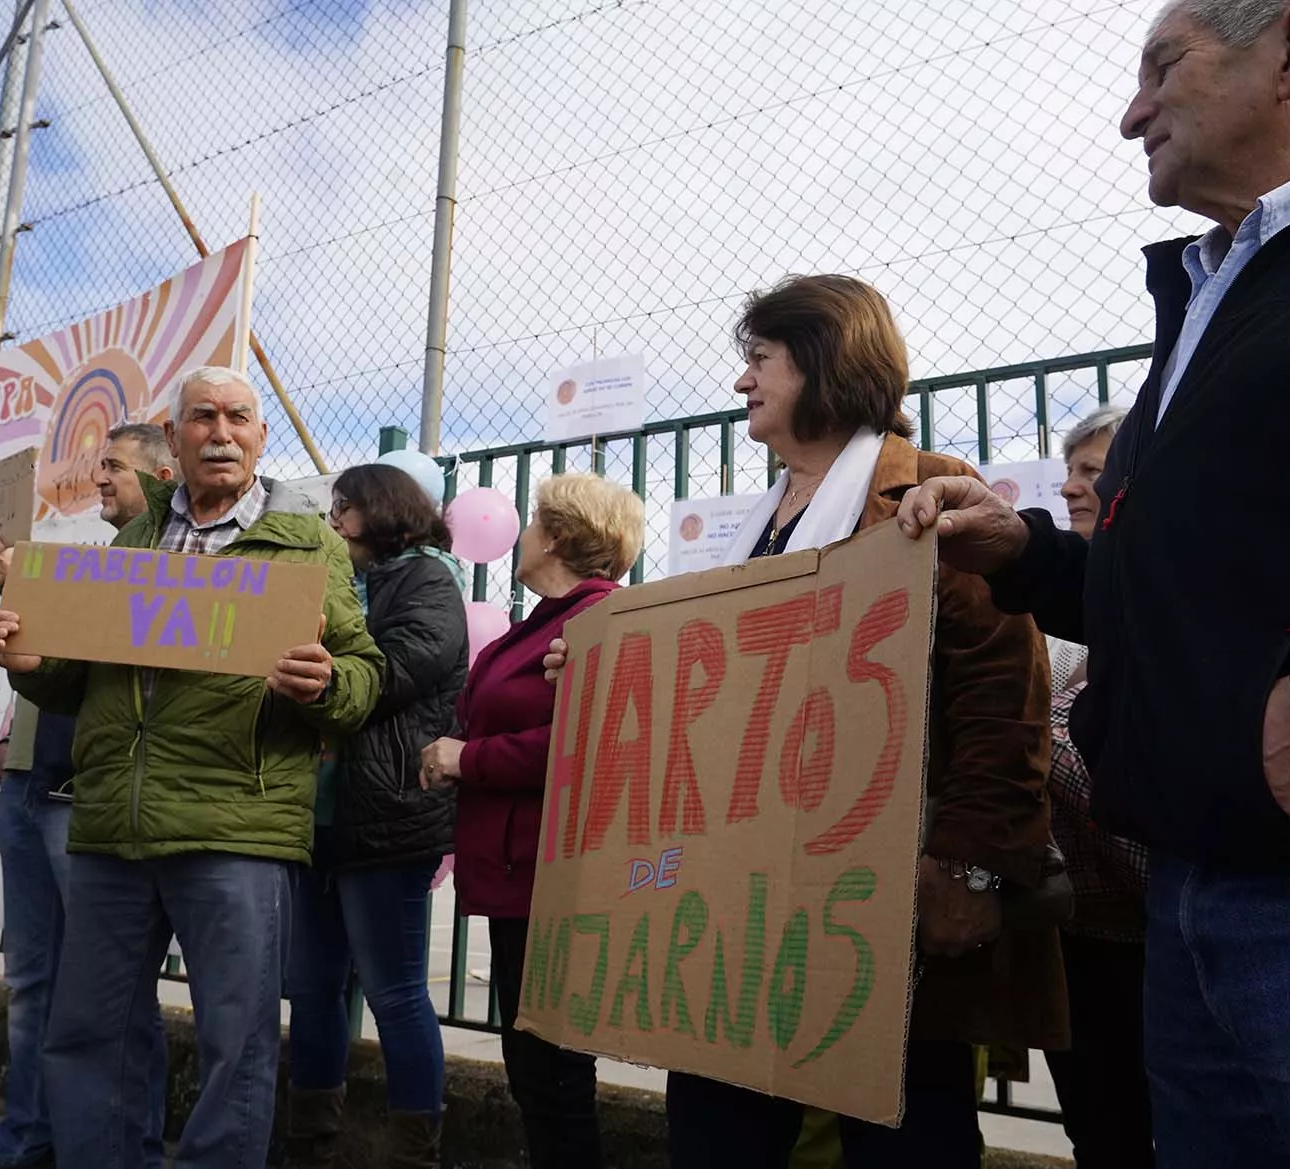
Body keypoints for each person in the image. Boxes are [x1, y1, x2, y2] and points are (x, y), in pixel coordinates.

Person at [895, 1, 1290, 1162]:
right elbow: (1193, 598)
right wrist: (1032, 555)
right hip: (1189, 903)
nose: (1132, 110)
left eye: (1163, 66)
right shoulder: (1213, 286)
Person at [545, 275, 1065, 1169]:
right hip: (746, 914)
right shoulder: (757, 524)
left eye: (759, 360)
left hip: (888, 906)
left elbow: (1001, 695)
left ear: (824, 361)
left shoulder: (929, 489)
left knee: (904, 1138)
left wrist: (971, 864)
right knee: (715, 1135)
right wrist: (604, 667)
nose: (742, 382)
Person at [0, 366, 384, 1168]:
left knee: (236, 1044)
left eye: (238, 417)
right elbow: (75, 677)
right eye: (203, 417)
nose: (221, 432)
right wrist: (26, 660)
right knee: (88, 1035)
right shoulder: (133, 539)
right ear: (175, 440)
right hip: (113, 827)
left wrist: (329, 683)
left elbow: (363, 671)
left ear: (260, 437)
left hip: (235, 828)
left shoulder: (308, 544)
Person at [420, 472, 644, 1169]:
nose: (521, 531)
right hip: (518, 870)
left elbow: (586, 740)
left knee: (552, 1075)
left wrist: (468, 758)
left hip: (554, 875)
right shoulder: (544, 624)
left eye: (536, 519)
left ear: (561, 534)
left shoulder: (599, 619)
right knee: (534, 1071)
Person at [0, 422, 177, 1169]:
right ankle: (27, 1140)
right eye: (98, 466)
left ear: (161, 477)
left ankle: (127, 1150)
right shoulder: (85, 562)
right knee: (32, 984)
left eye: (116, 467)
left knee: (113, 999)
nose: (101, 479)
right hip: (26, 785)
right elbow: (49, 670)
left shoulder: (172, 563)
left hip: (82, 800)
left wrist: (27, 590)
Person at [285, 463, 469, 1169]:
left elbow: (393, 671)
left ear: (381, 510)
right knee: (310, 986)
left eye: (345, 507)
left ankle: (412, 1154)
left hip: (388, 813)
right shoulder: (343, 577)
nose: (333, 520)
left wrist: (323, 662)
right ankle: (311, 1142)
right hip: (323, 814)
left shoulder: (427, 580)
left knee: (394, 992)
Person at [1041, 406, 1153, 1169]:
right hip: (1075, 939)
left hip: (1164, 942)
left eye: (1095, 470)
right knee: (1100, 1133)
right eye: (1071, 471)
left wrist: (1035, 740)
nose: (1074, 487)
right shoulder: (1045, 620)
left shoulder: (1166, 602)